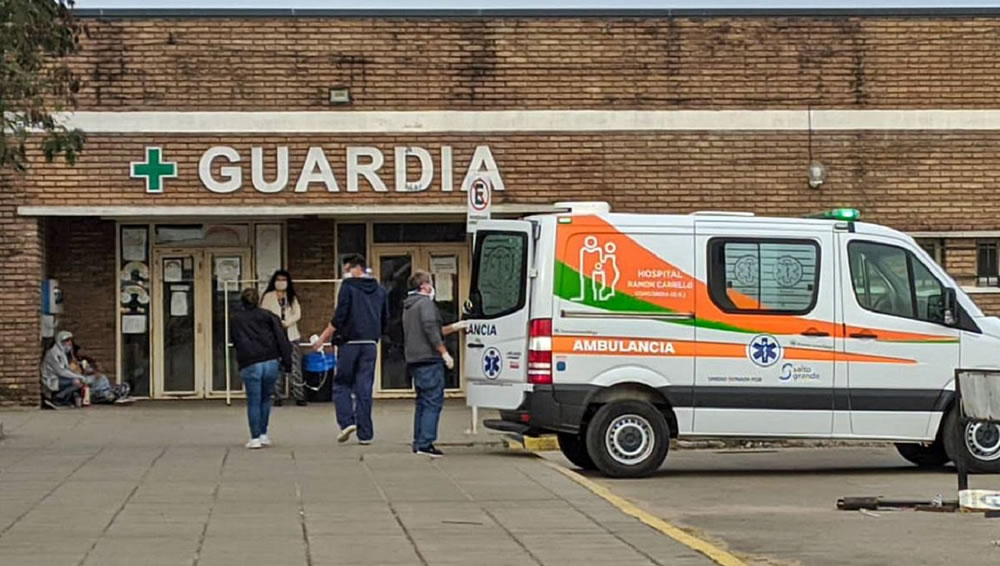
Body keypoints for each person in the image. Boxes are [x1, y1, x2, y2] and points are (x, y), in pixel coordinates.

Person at [315, 254, 389, 445]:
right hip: (370, 343)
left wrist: (323, 338)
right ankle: (366, 434)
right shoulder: (380, 290)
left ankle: (347, 421)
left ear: (356, 268)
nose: (345, 273)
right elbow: (386, 318)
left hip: (349, 342)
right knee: (364, 388)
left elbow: (340, 317)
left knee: (341, 384)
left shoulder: (348, 287)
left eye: (347, 269)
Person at [403, 270, 468, 457]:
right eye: (430, 283)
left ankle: (419, 442)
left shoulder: (409, 306)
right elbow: (431, 329)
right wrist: (445, 353)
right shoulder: (425, 304)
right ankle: (426, 443)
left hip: (415, 359)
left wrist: (455, 327)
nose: (433, 287)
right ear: (424, 286)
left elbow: (431, 330)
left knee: (422, 402)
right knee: (432, 402)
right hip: (429, 359)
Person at [230, 287, 292, 450]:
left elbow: (235, 340)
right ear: (258, 300)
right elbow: (282, 339)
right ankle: (264, 434)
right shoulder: (270, 317)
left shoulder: (236, 319)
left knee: (254, 401)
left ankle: (255, 437)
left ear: (242, 301)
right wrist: (287, 362)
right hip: (271, 361)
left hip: (250, 362)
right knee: (266, 399)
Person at [260, 270, 306, 407]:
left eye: (283, 280)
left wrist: (286, 323)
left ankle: (299, 395)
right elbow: (264, 314)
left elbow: (298, 313)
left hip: (291, 335)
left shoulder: (291, 296)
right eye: (278, 279)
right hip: (274, 337)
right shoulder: (268, 297)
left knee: (296, 367)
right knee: (276, 367)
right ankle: (277, 395)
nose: (281, 282)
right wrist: (276, 323)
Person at [40, 330, 85, 408]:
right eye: (67, 341)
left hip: (58, 378)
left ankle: (65, 400)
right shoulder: (54, 353)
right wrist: (78, 376)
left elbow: (66, 368)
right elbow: (61, 371)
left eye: (70, 340)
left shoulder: (62, 353)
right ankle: (58, 399)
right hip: (51, 379)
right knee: (76, 382)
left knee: (78, 381)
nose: (70, 343)